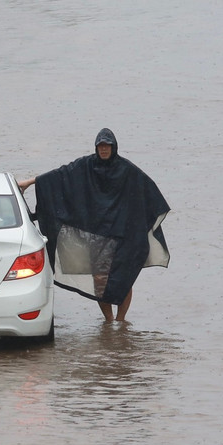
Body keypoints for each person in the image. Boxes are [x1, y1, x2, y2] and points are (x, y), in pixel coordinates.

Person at [18, 128, 170, 323]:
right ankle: (108, 320)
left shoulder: (127, 170)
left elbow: (149, 190)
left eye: (107, 146)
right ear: (96, 148)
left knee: (124, 279)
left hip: (123, 235)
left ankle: (121, 321)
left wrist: (149, 217)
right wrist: (31, 182)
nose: (104, 149)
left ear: (114, 147)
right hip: (98, 235)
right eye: (101, 146)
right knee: (100, 279)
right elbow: (59, 176)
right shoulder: (86, 166)